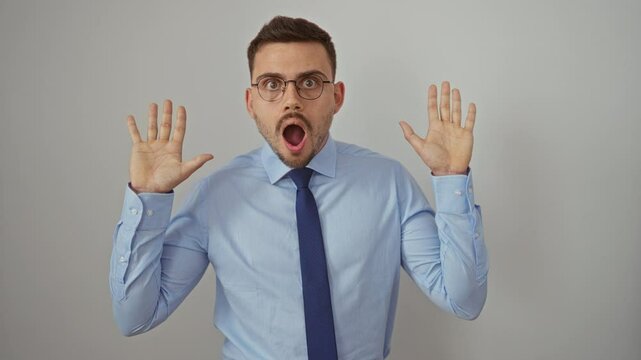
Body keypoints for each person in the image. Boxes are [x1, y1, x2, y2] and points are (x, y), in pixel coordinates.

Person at [110, 15, 488, 360]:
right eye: (272, 84)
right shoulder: (217, 196)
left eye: (309, 82)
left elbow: (464, 300)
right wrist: (149, 198)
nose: (291, 100)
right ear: (251, 102)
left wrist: (451, 178)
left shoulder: (389, 184)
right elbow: (135, 317)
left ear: (336, 97)